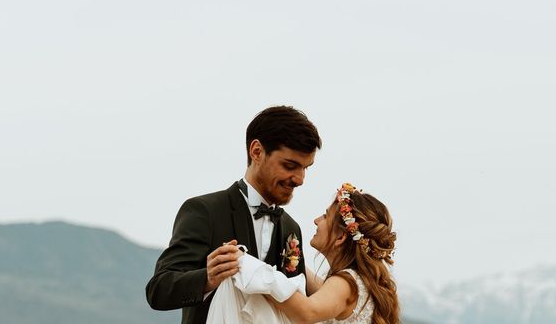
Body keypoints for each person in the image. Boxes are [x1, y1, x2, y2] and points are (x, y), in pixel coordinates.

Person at [145, 105, 322, 324]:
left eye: (306, 168)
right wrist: (208, 279)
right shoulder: (204, 211)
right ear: (256, 151)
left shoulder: (290, 228)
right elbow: (158, 290)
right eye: (290, 165)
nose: (300, 179)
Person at [268, 182, 400, 324]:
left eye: (325, 216)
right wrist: (290, 257)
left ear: (340, 237)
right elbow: (321, 288)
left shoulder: (346, 283)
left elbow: (307, 312)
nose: (316, 221)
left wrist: (257, 271)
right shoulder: (357, 282)